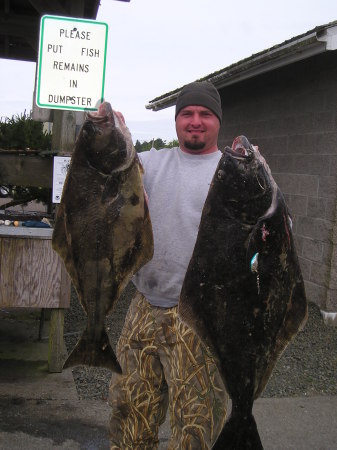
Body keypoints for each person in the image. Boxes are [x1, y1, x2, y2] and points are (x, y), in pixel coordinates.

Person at [109, 81, 228, 450]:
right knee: (128, 414)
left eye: (204, 114)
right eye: (187, 114)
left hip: (200, 315)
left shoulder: (234, 172)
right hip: (144, 304)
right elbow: (106, 172)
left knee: (195, 427)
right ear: (176, 121)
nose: (195, 121)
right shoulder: (149, 163)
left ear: (218, 121)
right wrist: (111, 131)